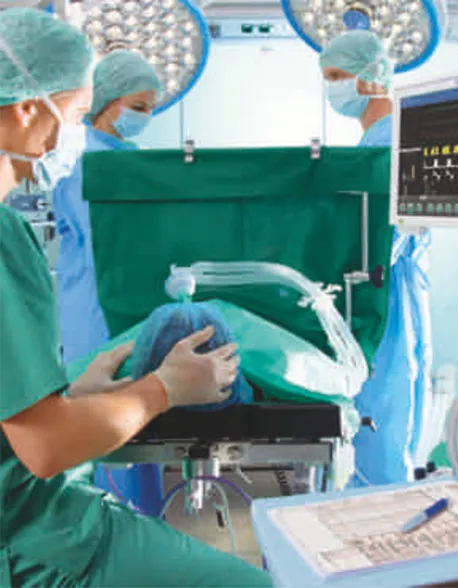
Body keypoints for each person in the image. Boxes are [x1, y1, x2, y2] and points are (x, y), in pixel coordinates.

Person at [0, 8, 272, 586]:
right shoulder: (4, 235)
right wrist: (164, 389)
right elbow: (45, 447)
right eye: (75, 115)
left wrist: (72, 395)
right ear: (26, 110)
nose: (66, 139)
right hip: (32, 539)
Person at [53, 48, 166, 517]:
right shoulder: (83, 160)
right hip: (97, 309)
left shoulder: (126, 158)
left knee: (137, 423)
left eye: (150, 108)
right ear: (107, 99)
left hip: (126, 305)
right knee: (107, 425)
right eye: (138, 106)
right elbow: (109, 240)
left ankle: (141, 525)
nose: (145, 117)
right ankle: (113, 528)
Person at [319, 31, 434, 488]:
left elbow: (384, 241)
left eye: (336, 76)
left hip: (387, 293)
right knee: (376, 410)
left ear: (370, 77)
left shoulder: (392, 140)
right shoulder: (375, 140)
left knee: (385, 409)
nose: (331, 88)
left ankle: (382, 507)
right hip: (380, 288)